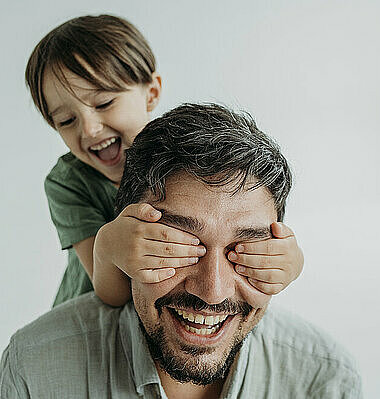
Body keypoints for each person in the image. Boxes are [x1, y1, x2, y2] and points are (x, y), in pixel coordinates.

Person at [0, 103, 362, 399]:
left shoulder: (325, 378)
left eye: (244, 250)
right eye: (176, 245)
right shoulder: (34, 368)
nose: (213, 289)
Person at [25, 15, 304, 308]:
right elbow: (112, 296)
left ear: (152, 93)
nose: (89, 129)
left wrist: (291, 261)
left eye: (104, 103)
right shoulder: (68, 181)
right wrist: (108, 246)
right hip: (100, 314)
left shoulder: (183, 158)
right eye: (66, 120)